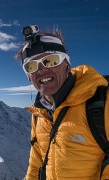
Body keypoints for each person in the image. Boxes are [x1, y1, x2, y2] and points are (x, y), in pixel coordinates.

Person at [14, 25, 109, 179]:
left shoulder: (101, 102)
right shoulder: (39, 113)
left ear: (67, 64)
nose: (42, 70)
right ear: (28, 76)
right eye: (31, 66)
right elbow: (36, 161)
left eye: (50, 61)